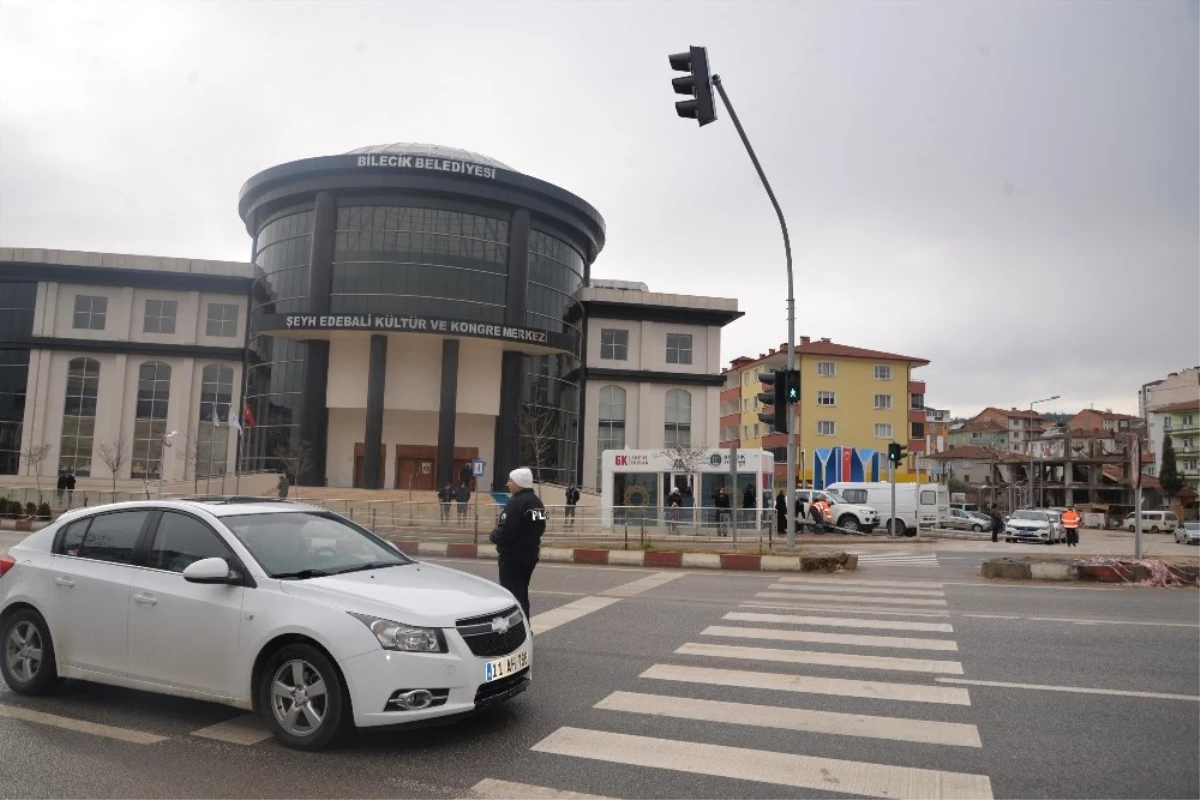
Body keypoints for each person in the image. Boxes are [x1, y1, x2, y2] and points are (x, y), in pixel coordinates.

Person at [489, 468, 546, 618]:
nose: (508, 484)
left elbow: (505, 532)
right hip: (531, 554)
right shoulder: (537, 502)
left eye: (511, 480)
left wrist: (493, 536)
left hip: (513, 557)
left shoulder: (515, 503)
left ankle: (517, 632)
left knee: (513, 596)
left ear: (519, 483)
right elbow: (541, 527)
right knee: (522, 593)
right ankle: (526, 625)